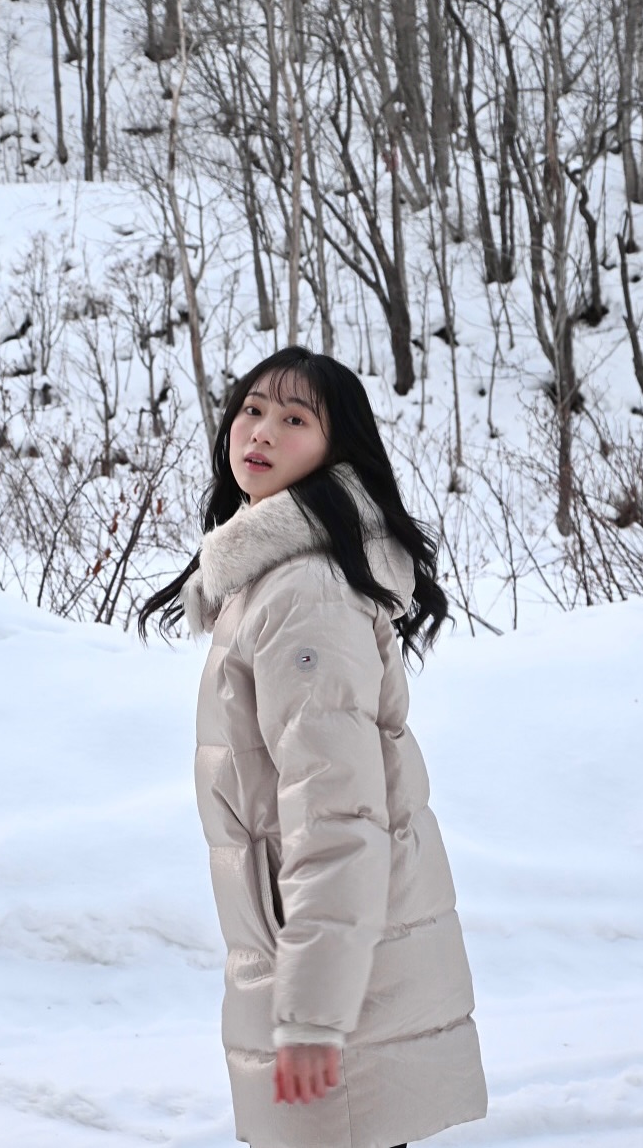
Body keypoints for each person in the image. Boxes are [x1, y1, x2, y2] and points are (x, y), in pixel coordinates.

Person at [139, 347, 487, 1148]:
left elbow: (337, 817)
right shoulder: (275, 578)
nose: (261, 431)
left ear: (337, 448)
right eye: (253, 409)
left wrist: (312, 1016)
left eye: (295, 419)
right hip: (320, 958)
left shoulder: (305, 594)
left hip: (337, 984)